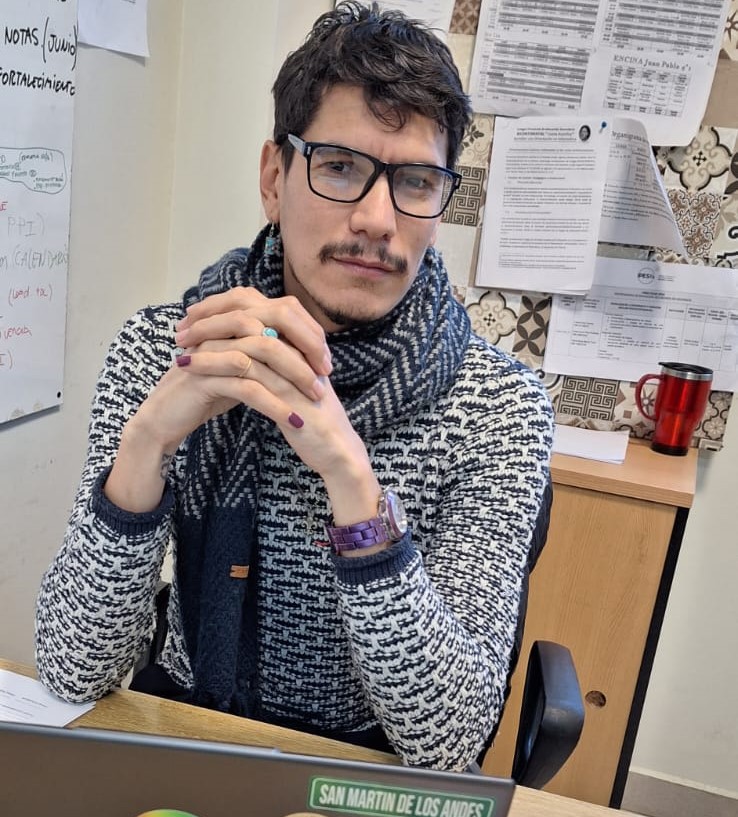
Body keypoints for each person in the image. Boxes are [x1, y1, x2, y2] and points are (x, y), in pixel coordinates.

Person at [35, 1, 554, 772]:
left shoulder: (497, 406)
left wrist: (354, 484)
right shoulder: (167, 351)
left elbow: (447, 742)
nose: (377, 218)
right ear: (274, 179)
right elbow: (73, 668)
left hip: (360, 764)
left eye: (415, 181)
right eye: (340, 166)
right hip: (187, 723)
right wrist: (145, 447)